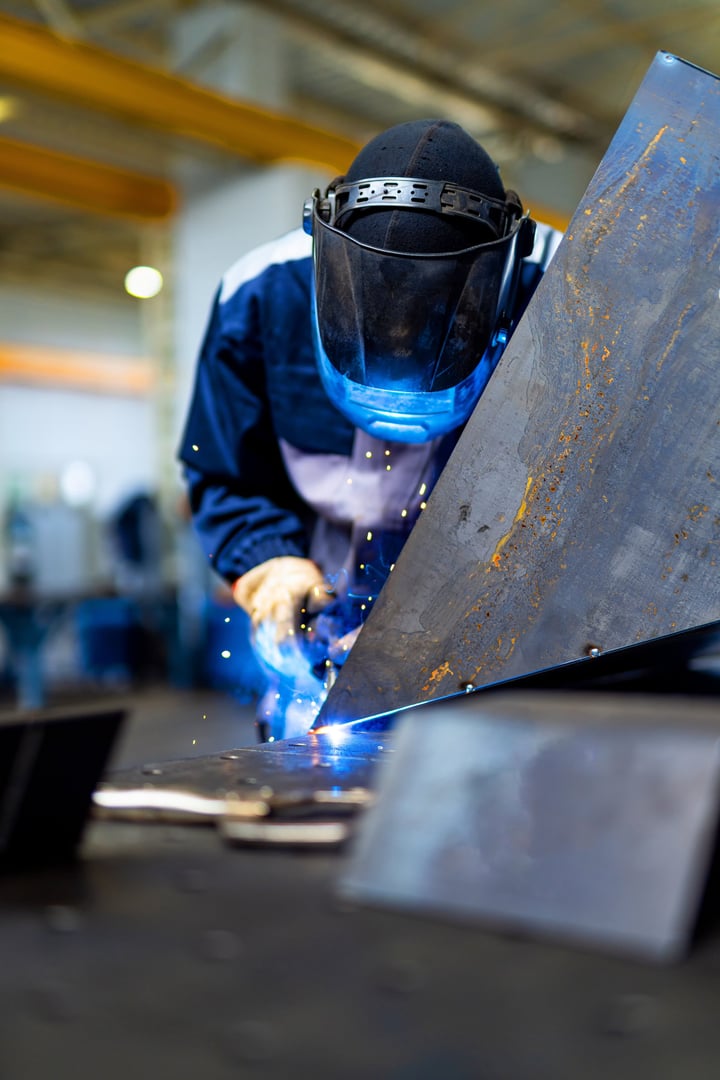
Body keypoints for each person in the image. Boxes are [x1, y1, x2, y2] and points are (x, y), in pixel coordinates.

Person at [178, 119, 562, 739]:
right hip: (318, 668)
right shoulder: (258, 297)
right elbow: (224, 467)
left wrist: (461, 618)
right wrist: (270, 563)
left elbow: (586, 519)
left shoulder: (566, 301)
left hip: (491, 686)